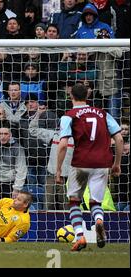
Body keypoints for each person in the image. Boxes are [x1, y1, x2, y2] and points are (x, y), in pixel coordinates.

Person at [56, 83, 123, 251]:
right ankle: (99, 220)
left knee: (74, 201)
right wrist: (117, 164)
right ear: (88, 96)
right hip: (102, 163)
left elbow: (63, 144)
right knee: (95, 202)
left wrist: (58, 169)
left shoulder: (69, 115)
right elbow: (120, 139)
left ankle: (79, 236)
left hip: (80, 163)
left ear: (70, 96)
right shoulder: (103, 113)